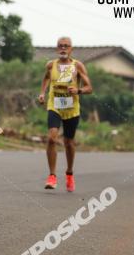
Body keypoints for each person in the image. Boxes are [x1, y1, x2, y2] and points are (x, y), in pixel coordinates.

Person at [37, 37, 93, 192]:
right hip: (54, 105)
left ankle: (69, 173)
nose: (63, 48)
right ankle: (52, 176)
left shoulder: (77, 66)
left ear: (71, 49)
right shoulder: (51, 65)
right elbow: (46, 79)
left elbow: (89, 87)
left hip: (72, 108)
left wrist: (78, 90)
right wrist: (42, 93)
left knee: (69, 142)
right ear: (57, 49)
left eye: (66, 46)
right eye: (60, 46)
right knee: (51, 138)